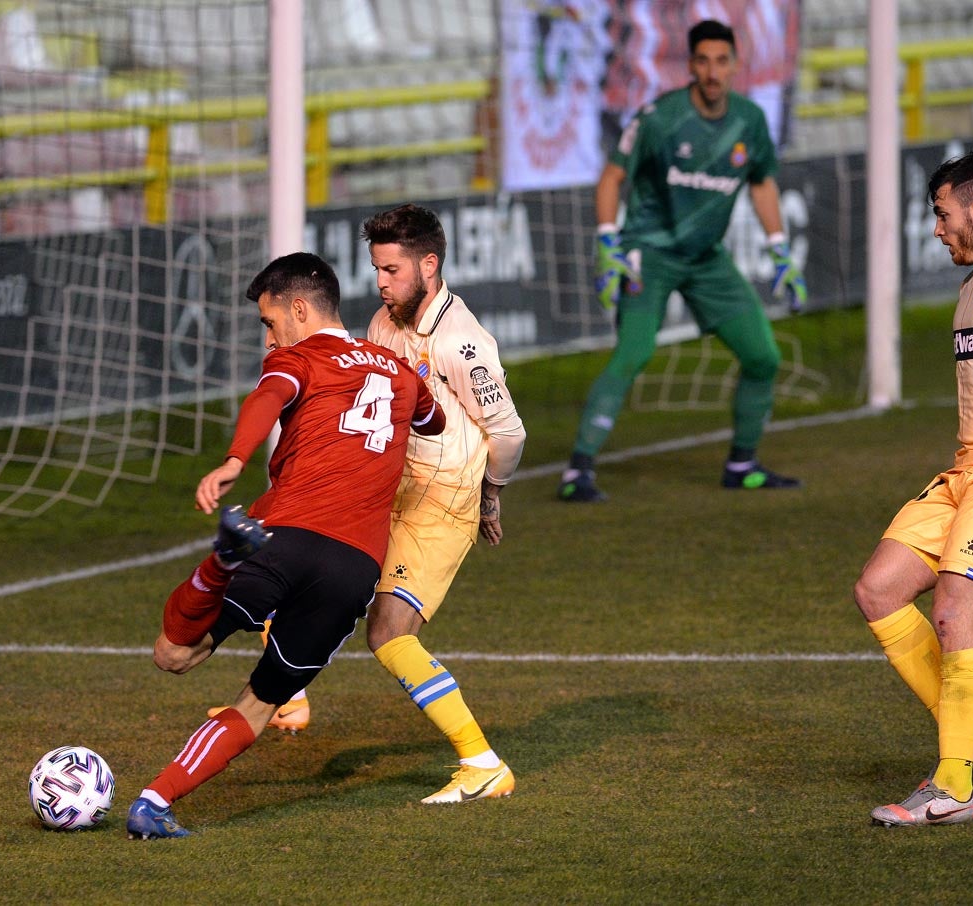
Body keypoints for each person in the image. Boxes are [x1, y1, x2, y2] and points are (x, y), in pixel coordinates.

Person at [125, 251, 445, 839]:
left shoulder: (300, 359)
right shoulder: (399, 372)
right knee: (261, 702)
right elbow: (434, 422)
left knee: (175, 653)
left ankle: (223, 563)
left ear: (300, 309)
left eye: (271, 324)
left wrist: (232, 461)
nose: (271, 341)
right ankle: (153, 802)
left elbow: (267, 399)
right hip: (353, 570)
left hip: (286, 536)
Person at [221, 204, 527, 803]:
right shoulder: (385, 324)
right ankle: (285, 700)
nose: (381, 283)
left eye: (392, 270)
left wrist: (491, 497)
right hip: (394, 489)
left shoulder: (463, 343)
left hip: (441, 505)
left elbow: (509, 433)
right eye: (377, 269)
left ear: (429, 265)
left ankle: (482, 763)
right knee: (299, 554)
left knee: (389, 633)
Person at [558, 18, 806, 503]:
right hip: (648, 253)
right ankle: (577, 471)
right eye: (703, 61)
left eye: (721, 61)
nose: (713, 71)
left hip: (706, 258)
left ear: (735, 65)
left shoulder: (749, 121)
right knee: (634, 352)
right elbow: (611, 178)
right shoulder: (660, 118)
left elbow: (760, 182)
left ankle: (741, 464)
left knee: (764, 356)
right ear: (690, 65)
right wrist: (609, 242)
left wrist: (779, 246)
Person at [855, 149, 973, 827]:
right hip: (964, 468)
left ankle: (953, 788)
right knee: (878, 588)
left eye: (941, 213)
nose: (935, 228)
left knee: (954, 612)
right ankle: (968, 734)